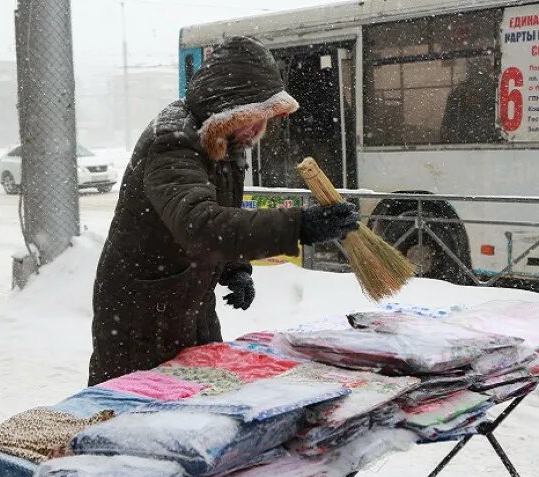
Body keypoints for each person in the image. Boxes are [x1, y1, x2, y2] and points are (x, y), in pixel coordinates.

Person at [88, 36, 360, 385]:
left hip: (191, 301)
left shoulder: (228, 140)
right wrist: (299, 226)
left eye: (266, 118)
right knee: (131, 410)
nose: (259, 129)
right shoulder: (173, 139)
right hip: (142, 312)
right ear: (229, 107)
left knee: (201, 395)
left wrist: (235, 268)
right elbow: (199, 224)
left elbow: (223, 207)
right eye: (253, 116)